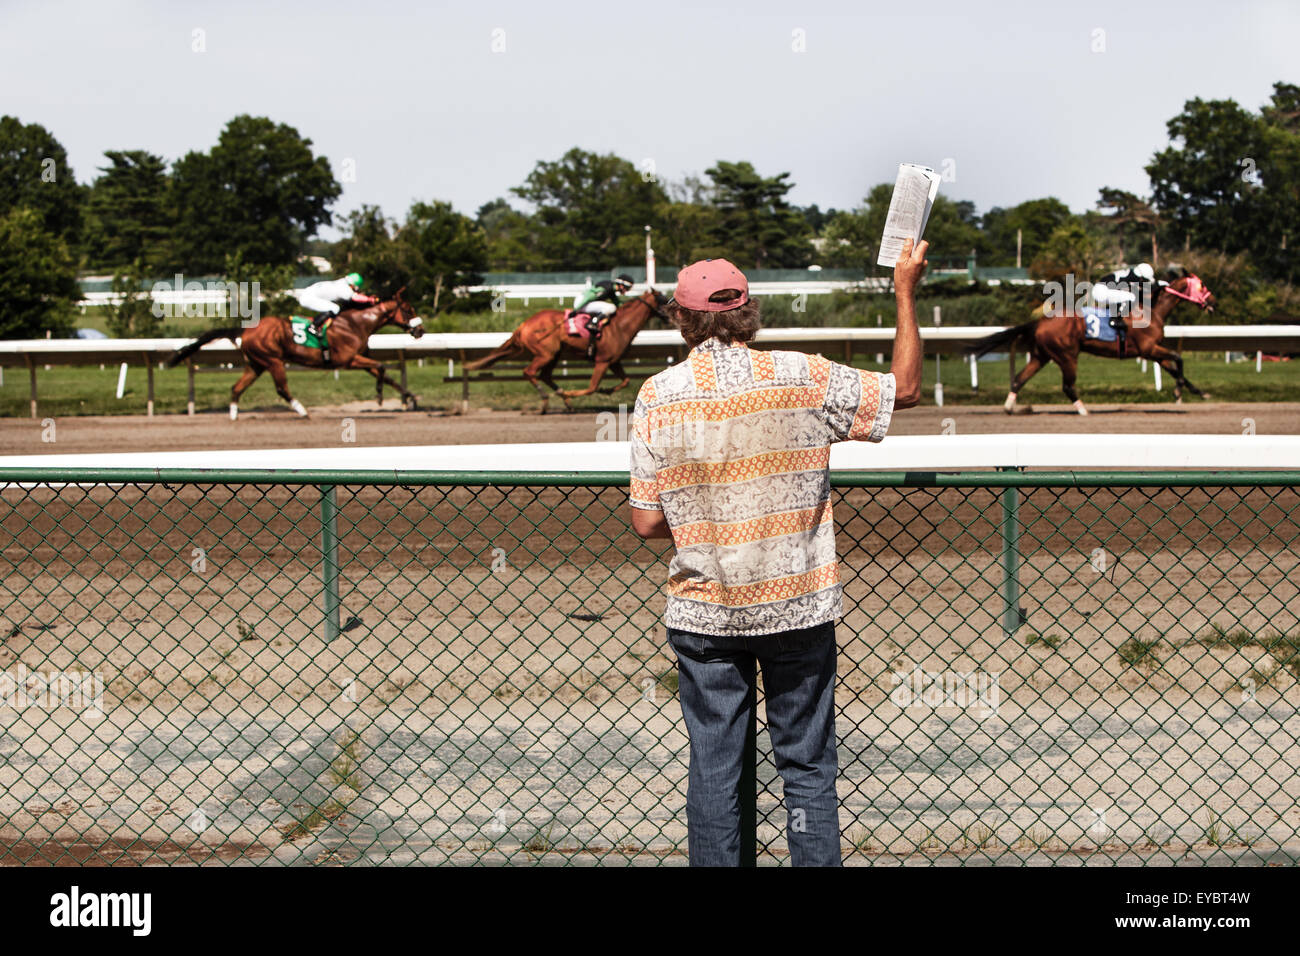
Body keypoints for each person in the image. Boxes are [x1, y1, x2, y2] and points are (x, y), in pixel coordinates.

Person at [628, 240, 927, 867]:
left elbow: (648, 521)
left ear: (681, 321)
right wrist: (904, 288)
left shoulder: (657, 395)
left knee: (713, 769)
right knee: (808, 768)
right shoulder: (803, 375)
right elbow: (905, 389)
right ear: (749, 313)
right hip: (797, 607)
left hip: (703, 614)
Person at [296, 273, 379, 343]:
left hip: (307, 295)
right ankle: (313, 326)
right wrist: (369, 299)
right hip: (308, 298)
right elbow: (355, 297)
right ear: (354, 285)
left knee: (333, 308)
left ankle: (319, 325)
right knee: (335, 308)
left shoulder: (342, 283)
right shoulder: (344, 288)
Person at [571, 274, 635, 357]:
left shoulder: (611, 290)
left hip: (585, 302)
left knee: (610, 308)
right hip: (582, 302)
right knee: (611, 307)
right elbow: (589, 297)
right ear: (622, 285)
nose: (627, 291)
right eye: (627, 288)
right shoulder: (607, 288)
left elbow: (619, 304)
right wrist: (576, 310)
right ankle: (593, 323)